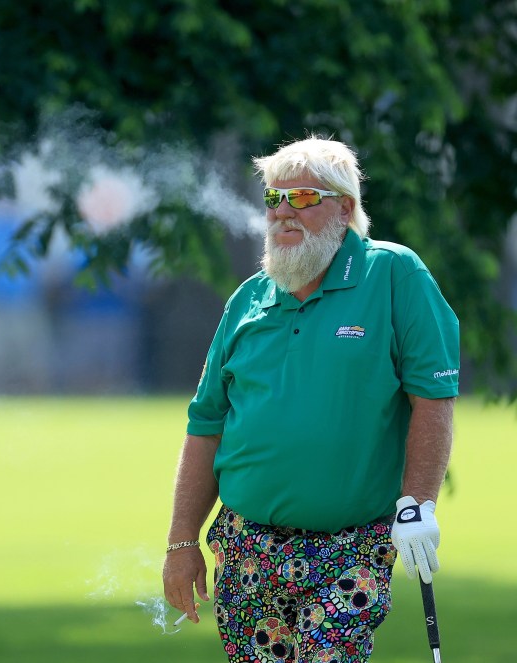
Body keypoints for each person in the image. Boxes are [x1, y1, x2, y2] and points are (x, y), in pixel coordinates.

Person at [162, 137, 458, 662]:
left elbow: (433, 398)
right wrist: (183, 541)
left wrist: (417, 503)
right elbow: (206, 423)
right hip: (248, 546)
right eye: (274, 199)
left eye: (301, 198)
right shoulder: (249, 300)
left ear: (344, 209)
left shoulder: (393, 275)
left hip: (353, 545)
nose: (282, 212)